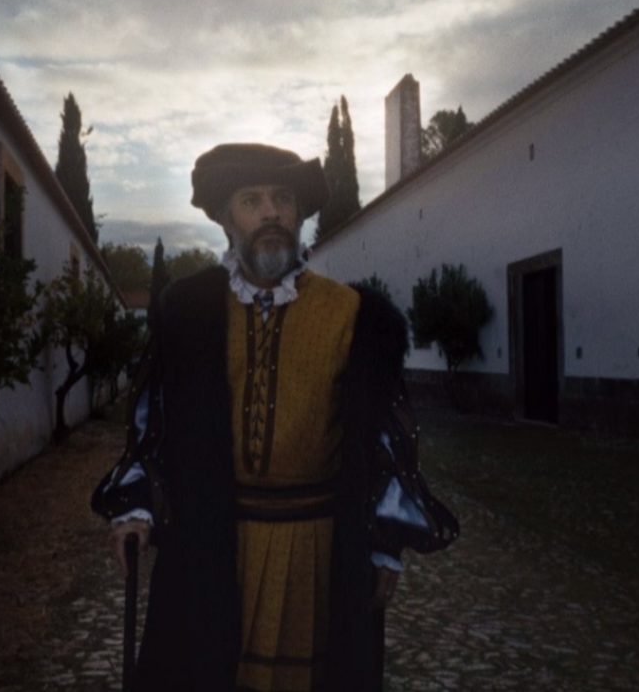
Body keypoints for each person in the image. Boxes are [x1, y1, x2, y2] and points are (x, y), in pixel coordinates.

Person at [91, 143, 458, 691]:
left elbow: (383, 439)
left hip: (315, 549)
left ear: (300, 214)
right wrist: (136, 507)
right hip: (211, 543)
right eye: (251, 200)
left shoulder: (354, 316)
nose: (270, 213)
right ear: (225, 218)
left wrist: (384, 541)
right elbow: (154, 423)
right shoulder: (188, 311)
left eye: (283, 199)